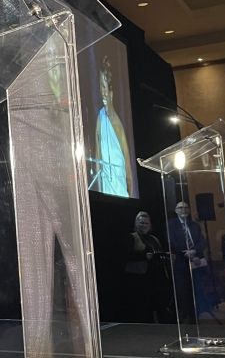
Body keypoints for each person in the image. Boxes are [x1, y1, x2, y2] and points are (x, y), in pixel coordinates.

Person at [93, 56, 133, 197]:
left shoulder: (118, 123)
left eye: (105, 87)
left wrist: (130, 189)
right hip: (105, 186)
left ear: (112, 91)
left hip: (119, 187)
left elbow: (127, 162)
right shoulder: (100, 117)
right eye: (100, 86)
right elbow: (98, 156)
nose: (103, 92)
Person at [167, 201, 211, 321]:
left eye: (186, 207)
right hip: (181, 262)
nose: (183, 210)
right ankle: (186, 316)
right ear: (176, 211)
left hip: (197, 262)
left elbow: (202, 241)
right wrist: (187, 254)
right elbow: (172, 242)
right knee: (183, 291)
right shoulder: (171, 224)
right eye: (180, 208)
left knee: (197, 290)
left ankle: (195, 315)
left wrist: (194, 251)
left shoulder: (194, 225)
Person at [124, 211, 171, 323]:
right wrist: (144, 256)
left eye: (146, 223)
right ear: (136, 223)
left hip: (156, 277)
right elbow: (126, 256)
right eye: (141, 223)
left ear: (150, 225)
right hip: (140, 279)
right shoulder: (132, 237)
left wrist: (166, 256)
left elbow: (159, 252)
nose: (144, 225)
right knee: (143, 306)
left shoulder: (154, 239)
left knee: (158, 303)